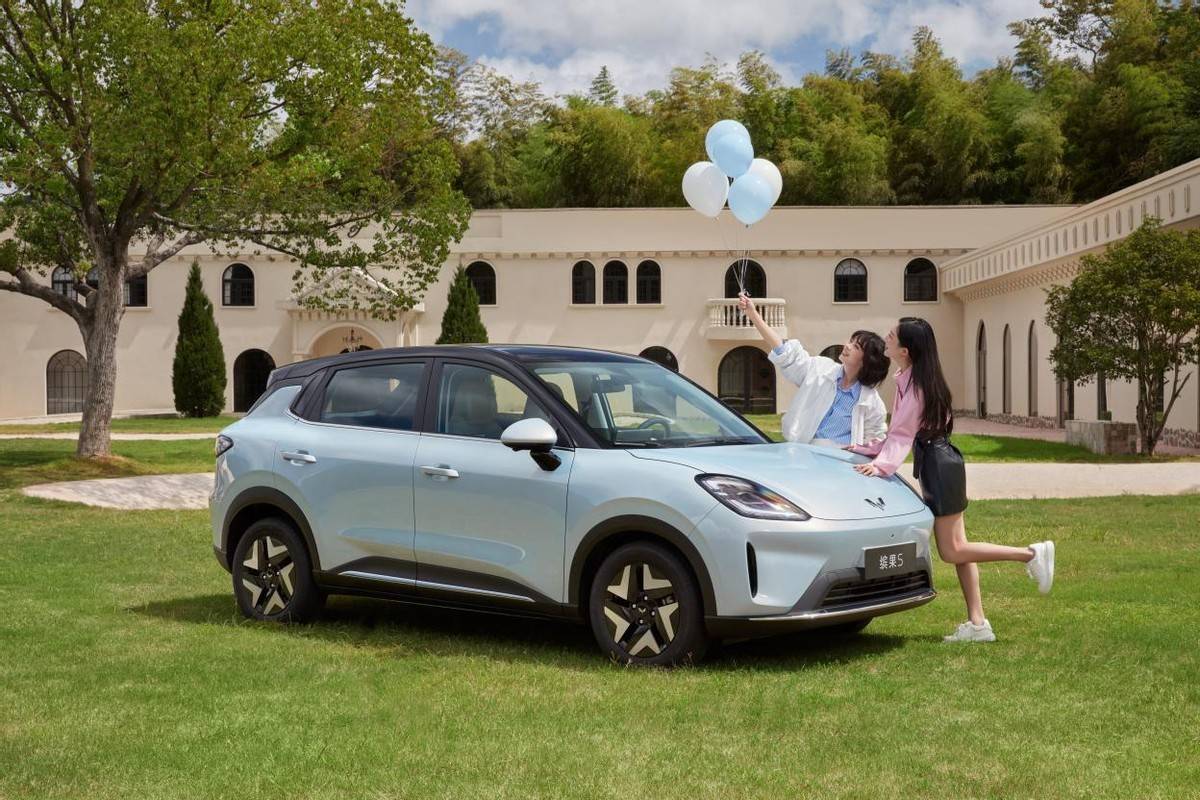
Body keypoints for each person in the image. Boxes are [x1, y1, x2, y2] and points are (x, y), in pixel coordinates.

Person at [847, 317, 1055, 643]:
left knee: (952, 550)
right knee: (961, 550)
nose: (885, 338)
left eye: (891, 336)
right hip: (942, 462)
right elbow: (898, 433)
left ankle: (1030, 554)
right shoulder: (913, 379)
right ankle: (978, 624)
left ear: (905, 350)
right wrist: (864, 449)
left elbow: (901, 435)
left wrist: (881, 466)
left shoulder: (916, 387)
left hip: (939, 466)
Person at [737, 292, 888, 447]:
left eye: (856, 347)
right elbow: (785, 352)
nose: (847, 346)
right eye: (850, 341)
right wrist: (753, 314)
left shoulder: (871, 402)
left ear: (867, 360)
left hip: (840, 459)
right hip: (803, 453)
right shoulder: (820, 369)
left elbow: (874, 442)